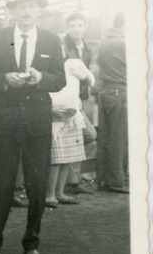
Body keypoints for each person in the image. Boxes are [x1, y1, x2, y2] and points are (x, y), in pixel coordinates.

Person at [0, 0, 66, 254]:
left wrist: (41, 79)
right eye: (21, 6)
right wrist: (5, 78)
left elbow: (60, 79)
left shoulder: (51, 40)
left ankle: (31, 242)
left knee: (37, 185)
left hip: (37, 123)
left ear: (39, 10)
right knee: (0, 184)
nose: (27, 11)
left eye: (32, 6)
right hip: (5, 122)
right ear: (13, 11)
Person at [45, 59, 94, 207]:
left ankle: (60, 192)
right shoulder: (51, 69)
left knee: (68, 157)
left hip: (72, 115)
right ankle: (50, 195)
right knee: (57, 158)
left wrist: (80, 72)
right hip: (55, 116)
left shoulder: (72, 64)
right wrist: (50, 109)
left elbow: (90, 78)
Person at [61, 13, 96, 195]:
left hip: (83, 97)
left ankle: (73, 181)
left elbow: (87, 73)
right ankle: (64, 181)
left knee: (82, 137)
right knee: (84, 135)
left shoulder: (87, 49)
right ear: (67, 27)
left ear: (85, 27)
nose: (76, 29)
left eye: (80, 25)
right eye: (72, 25)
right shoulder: (63, 46)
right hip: (68, 98)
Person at [96, 12, 128, 193]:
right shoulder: (123, 43)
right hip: (119, 92)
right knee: (119, 138)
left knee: (106, 137)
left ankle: (103, 179)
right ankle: (116, 181)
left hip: (106, 92)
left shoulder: (104, 42)